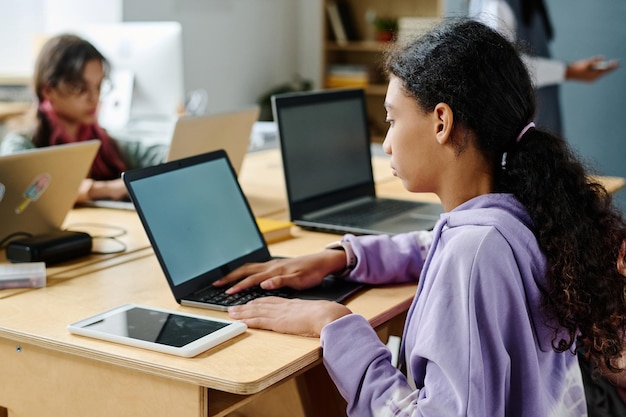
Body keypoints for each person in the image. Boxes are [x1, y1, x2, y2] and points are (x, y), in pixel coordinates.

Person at [213, 19, 626, 416]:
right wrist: (345, 256)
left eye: (392, 120)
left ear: (442, 122)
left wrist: (337, 325)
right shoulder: (522, 212)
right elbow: (434, 244)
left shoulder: (474, 254)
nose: (387, 144)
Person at [0, 34, 168, 203]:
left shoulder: (100, 140)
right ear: (48, 90)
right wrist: (106, 189)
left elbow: (153, 154)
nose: (94, 97)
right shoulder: (22, 143)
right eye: (80, 88)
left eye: (98, 86)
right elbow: (23, 189)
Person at [467, 0, 618, 136]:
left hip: (539, 117)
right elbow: (506, 65)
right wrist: (569, 72)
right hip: (523, 121)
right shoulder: (495, 4)